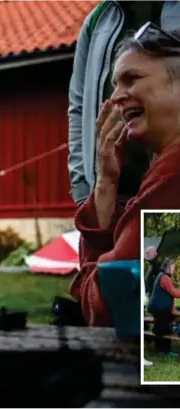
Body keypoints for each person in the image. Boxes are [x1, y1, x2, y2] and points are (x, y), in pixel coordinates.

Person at [69, 23, 180, 326]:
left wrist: (87, 283)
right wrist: (105, 182)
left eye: (132, 79)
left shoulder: (173, 174)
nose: (116, 96)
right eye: (116, 83)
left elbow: (111, 305)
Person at [68, 1, 180, 206]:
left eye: (132, 79)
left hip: (168, 189)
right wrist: (84, 188)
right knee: (129, 237)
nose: (116, 96)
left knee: (157, 235)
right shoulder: (96, 21)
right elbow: (78, 106)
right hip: (112, 194)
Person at [147, 259, 180, 356]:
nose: (174, 268)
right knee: (162, 329)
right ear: (167, 267)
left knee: (167, 328)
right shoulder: (164, 278)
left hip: (161, 308)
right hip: (159, 309)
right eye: (173, 266)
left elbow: (171, 295)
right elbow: (174, 293)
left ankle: (164, 350)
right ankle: (150, 338)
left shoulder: (163, 277)